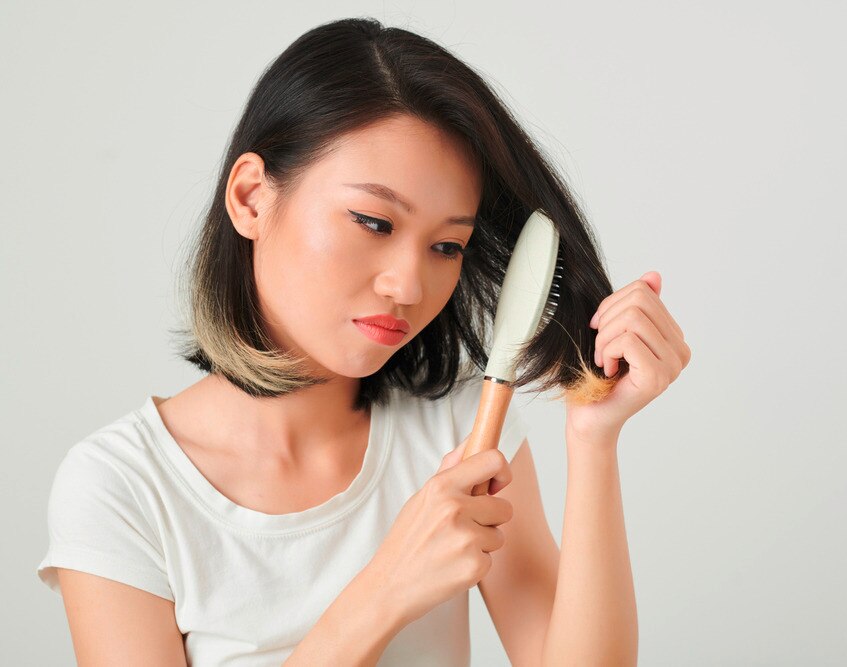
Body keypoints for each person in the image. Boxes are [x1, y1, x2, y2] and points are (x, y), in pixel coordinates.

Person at [36, 16, 689, 666]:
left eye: (446, 245)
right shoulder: (121, 487)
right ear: (250, 198)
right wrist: (385, 588)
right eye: (374, 222)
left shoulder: (463, 431)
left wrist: (594, 440)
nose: (408, 283)